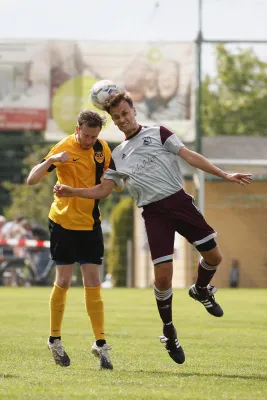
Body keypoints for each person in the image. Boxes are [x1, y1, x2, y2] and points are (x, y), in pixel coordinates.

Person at [53, 92, 252, 366]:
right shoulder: (117, 156)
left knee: (215, 257)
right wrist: (72, 191)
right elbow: (103, 190)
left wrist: (225, 174)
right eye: (117, 117)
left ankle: (201, 290)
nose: (123, 119)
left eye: (125, 113)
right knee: (162, 278)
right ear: (114, 121)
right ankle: (169, 331)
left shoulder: (158, 133)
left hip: (179, 202)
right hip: (154, 213)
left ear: (134, 111)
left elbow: (189, 156)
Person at [27, 110, 113, 370]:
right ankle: (54, 339)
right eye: (86, 135)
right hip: (63, 223)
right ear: (77, 129)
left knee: (93, 282)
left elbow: (106, 189)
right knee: (63, 280)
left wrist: (73, 191)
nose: (89, 141)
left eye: (94, 136)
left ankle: (100, 343)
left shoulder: (103, 150)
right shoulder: (63, 147)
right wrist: (51, 159)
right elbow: (32, 179)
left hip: (90, 224)